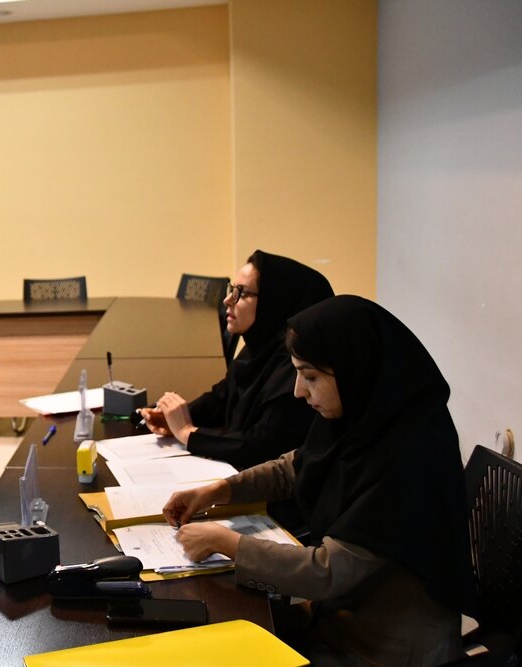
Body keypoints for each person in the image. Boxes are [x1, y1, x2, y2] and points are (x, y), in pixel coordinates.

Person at [163, 295, 476, 666]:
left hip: (384, 648)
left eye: (310, 376)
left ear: (354, 367)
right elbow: (296, 467)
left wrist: (227, 543)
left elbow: (328, 572)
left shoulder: (411, 455)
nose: (298, 390)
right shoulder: (365, 416)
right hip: (343, 617)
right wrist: (220, 489)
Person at [139, 250, 333, 469]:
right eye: (232, 289)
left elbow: (260, 447)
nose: (227, 300)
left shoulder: (295, 368)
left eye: (242, 293)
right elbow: (222, 397)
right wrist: (172, 417)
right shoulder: (258, 349)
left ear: (274, 302)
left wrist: (188, 433)